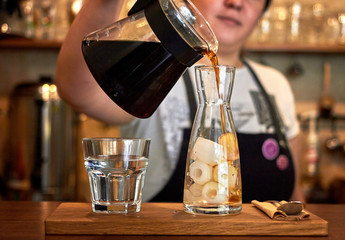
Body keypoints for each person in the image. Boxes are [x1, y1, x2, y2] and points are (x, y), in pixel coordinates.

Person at [56, 0, 305, 203]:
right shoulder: (158, 71)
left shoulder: (275, 84)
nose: (235, 3)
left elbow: (294, 197)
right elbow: (78, 90)